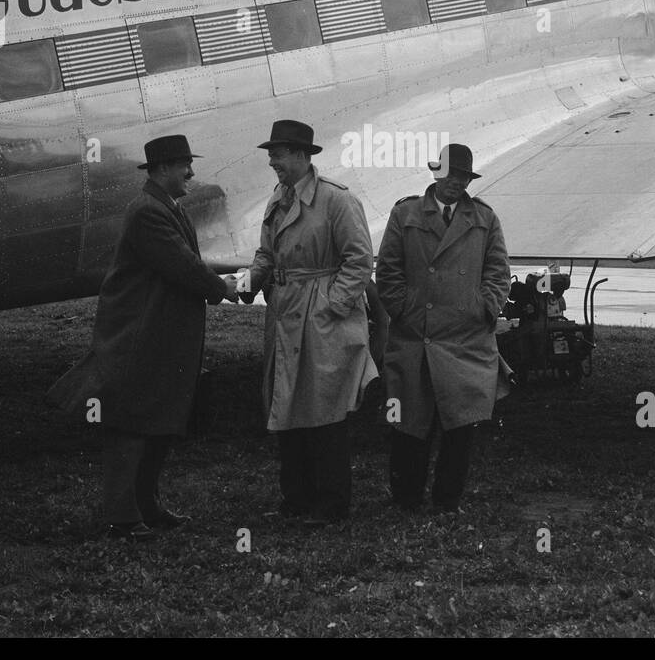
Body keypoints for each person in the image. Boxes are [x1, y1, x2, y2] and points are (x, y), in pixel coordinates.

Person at [48, 135, 237, 541]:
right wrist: (224, 288)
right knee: (131, 424)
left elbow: (184, 264)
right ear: (162, 169)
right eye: (184, 164)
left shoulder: (166, 206)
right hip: (139, 336)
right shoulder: (148, 213)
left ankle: (146, 505)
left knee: (158, 420)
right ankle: (122, 516)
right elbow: (183, 265)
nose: (191, 172)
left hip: (158, 334)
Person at [247, 120, 379, 525]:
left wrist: (331, 306)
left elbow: (360, 260)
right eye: (271, 155)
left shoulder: (336, 200)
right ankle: (297, 498)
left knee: (324, 408)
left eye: (279, 154)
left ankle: (331, 502)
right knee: (287, 402)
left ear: (303, 156)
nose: (273, 162)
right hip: (286, 314)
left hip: (322, 319)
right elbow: (267, 254)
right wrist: (246, 281)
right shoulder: (278, 198)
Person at [375, 143, 511, 513]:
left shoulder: (484, 218)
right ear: (436, 174)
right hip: (415, 337)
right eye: (450, 175)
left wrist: (485, 307)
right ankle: (406, 499)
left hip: (465, 340)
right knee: (408, 422)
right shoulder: (405, 214)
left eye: (463, 177)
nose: (456, 183)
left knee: (460, 426)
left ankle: (448, 501)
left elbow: (498, 271)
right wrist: (402, 309)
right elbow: (387, 269)